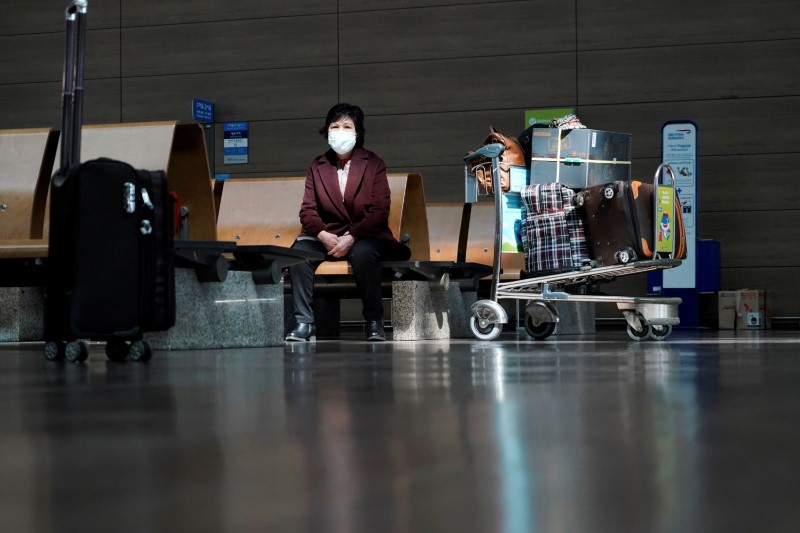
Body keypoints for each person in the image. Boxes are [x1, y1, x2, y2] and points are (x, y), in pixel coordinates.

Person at [285, 103, 411, 342]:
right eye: (334, 126)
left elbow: (379, 211)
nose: (339, 131)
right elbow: (307, 211)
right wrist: (322, 235)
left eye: (346, 126)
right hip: (327, 238)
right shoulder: (317, 165)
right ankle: (303, 322)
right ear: (327, 130)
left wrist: (351, 237)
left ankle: (374, 321)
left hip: (365, 237)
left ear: (357, 132)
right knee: (300, 253)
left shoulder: (373, 163)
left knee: (363, 254)